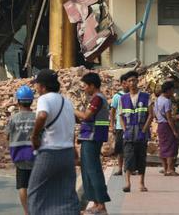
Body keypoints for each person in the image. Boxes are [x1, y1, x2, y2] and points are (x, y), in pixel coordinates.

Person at [28, 69, 80, 214]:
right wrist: (74, 151)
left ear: (43, 86)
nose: (36, 88)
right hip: (67, 153)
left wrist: (34, 136)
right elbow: (71, 128)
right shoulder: (67, 102)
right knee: (66, 194)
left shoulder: (44, 99)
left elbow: (43, 115)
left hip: (49, 153)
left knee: (35, 192)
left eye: (36, 85)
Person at [75, 72, 110, 214]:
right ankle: (96, 202)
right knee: (87, 171)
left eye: (85, 86)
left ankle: (101, 204)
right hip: (89, 137)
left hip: (93, 137)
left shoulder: (97, 99)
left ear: (92, 86)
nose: (84, 89)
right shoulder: (94, 99)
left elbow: (86, 116)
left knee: (93, 171)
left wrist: (72, 110)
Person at [118, 70, 152, 194]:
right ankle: (127, 183)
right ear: (126, 83)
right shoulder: (123, 98)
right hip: (129, 133)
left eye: (134, 80)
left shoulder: (145, 96)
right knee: (128, 157)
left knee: (141, 158)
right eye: (129, 81)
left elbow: (150, 115)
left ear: (138, 81)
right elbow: (120, 116)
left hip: (141, 131)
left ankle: (142, 183)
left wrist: (144, 130)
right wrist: (124, 130)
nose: (132, 83)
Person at [7, 86, 36, 215]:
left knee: (22, 185)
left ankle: (27, 212)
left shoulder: (13, 118)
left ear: (18, 101)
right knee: (35, 185)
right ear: (31, 101)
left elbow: (7, 134)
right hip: (35, 154)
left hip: (19, 155)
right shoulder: (37, 117)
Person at [155, 81, 178, 176]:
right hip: (166, 126)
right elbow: (168, 117)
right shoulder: (167, 101)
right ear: (168, 90)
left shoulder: (157, 100)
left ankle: (164, 168)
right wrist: (174, 131)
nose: (173, 92)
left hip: (160, 125)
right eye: (172, 90)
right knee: (170, 147)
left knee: (162, 146)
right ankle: (169, 169)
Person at [108, 79, 128, 176]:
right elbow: (112, 111)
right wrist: (112, 125)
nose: (127, 85)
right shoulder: (117, 96)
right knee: (120, 149)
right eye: (124, 83)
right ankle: (120, 168)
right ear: (122, 84)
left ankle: (130, 168)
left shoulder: (133, 95)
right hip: (120, 127)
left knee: (130, 148)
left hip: (131, 126)